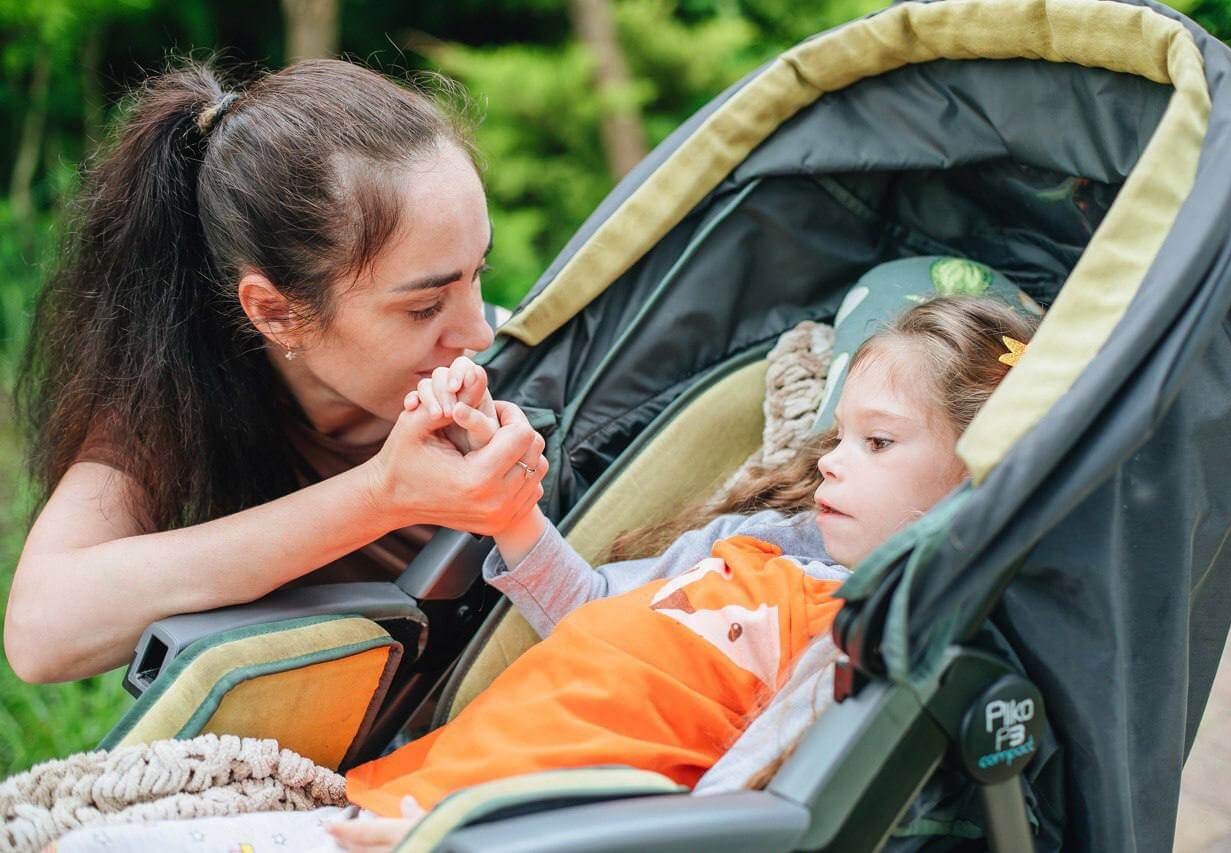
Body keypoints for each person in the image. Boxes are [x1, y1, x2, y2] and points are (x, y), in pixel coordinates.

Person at [49, 295, 1038, 853]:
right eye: (836, 436)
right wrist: (515, 514)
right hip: (413, 789)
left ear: (981, 474)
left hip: (498, 828)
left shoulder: (861, 637)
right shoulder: (752, 545)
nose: (831, 464)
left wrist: (477, 833)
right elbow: (593, 610)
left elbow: (727, 800)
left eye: (876, 443)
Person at [4, 59, 548, 684]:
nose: (479, 333)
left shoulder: (527, 373)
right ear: (275, 313)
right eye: (424, 307)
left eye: (477, 274)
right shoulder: (179, 397)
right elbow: (42, 633)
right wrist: (383, 496)